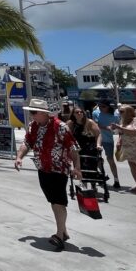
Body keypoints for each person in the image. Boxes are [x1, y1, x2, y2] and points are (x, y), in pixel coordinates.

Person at [14, 97, 82, 251]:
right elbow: (27, 143)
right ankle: (63, 230)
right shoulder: (34, 126)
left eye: (34, 112)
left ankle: (59, 235)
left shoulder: (60, 126)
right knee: (53, 201)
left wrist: (77, 168)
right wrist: (19, 157)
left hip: (58, 169)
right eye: (31, 112)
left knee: (58, 202)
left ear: (44, 113)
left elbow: (73, 148)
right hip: (43, 168)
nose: (31, 115)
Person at [95, 102, 122, 189]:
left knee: (110, 159)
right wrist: (106, 128)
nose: (101, 108)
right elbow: (95, 126)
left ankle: (116, 179)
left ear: (108, 107)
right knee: (96, 158)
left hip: (108, 140)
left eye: (103, 106)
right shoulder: (96, 113)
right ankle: (102, 174)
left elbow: (119, 128)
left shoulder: (114, 116)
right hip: (97, 139)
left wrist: (119, 140)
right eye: (99, 106)